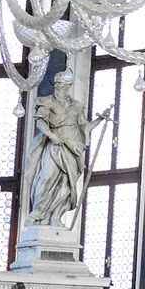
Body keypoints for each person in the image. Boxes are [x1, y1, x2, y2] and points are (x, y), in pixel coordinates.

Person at [24, 71, 112, 230]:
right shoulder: (47, 102)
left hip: (73, 148)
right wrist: (52, 136)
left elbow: (84, 127)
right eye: (56, 83)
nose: (58, 86)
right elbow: (40, 124)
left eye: (61, 84)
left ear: (68, 85)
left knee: (67, 183)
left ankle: (56, 216)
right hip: (56, 145)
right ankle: (36, 214)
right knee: (46, 177)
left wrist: (100, 119)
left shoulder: (77, 106)